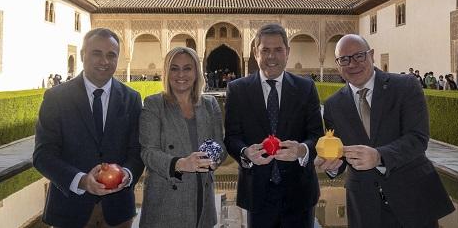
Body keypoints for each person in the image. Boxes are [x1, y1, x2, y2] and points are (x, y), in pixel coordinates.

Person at [315, 34, 453, 228]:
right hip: (364, 206)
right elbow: (341, 154)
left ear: (371, 55)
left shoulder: (405, 86)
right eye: (344, 59)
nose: (352, 64)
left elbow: (418, 138)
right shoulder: (333, 105)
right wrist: (331, 166)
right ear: (338, 65)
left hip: (412, 197)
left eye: (359, 56)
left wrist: (379, 156)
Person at [33, 28, 144, 228]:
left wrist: (127, 174)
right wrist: (82, 180)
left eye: (111, 55)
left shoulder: (132, 99)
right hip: (70, 210)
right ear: (83, 54)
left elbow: (137, 151)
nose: (104, 61)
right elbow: (43, 155)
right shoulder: (56, 98)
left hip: (118, 212)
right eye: (96, 53)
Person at [224, 24, 323, 228]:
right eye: (265, 50)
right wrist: (246, 153)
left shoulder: (306, 88)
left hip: (299, 192)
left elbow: (316, 136)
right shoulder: (237, 90)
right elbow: (232, 137)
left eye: (278, 49)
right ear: (255, 52)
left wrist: (302, 150)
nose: (272, 56)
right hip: (258, 193)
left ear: (287, 52)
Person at [139, 47, 226, 227]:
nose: (181, 74)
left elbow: (220, 146)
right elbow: (148, 152)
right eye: (174, 68)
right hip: (166, 201)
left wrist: (213, 159)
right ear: (166, 72)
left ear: (196, 72)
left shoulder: (210, 105)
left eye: (187, 68)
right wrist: (181, 164)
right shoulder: (154, 104)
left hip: (202, 198)